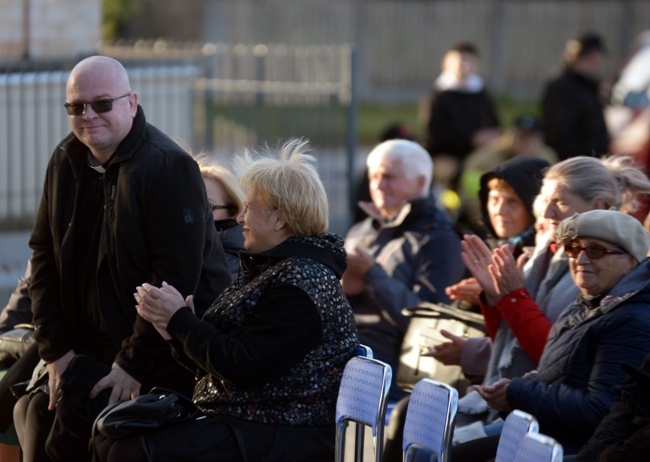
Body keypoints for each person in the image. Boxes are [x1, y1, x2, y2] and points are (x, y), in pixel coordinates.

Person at [13, 56, 231, 462]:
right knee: (28, 409)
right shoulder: (66, 159)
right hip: (84, 344)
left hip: (164, 354)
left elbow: (173, 283)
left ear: (132, 103)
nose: (87, 115)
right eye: (76, 106)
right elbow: (43, 256)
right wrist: (54, 350)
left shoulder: (168, 168)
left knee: (69, 429)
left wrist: (131, 365)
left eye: (101, 104)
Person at [93, 138, 359, 462]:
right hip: (248, 420)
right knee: (110, 436)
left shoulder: (302, 283)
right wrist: (174, 329)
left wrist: (180, 321)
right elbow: (229, 361)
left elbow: (243, 365)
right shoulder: (277, 269)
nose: (241, 218)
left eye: (250, 208)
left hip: (280, 432)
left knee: (129, 449)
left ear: (279, 219)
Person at [452, 209, 650, 459]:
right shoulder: (590, 301)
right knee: (455, 452)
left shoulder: (633, 320)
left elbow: (600, 412)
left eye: (596, 251)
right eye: (573, 249)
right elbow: (568, 376)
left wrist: (521, 392)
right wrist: (525, 386)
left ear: (631, 260)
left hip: (576, 448)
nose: (580, 260)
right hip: (545, 432)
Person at [341, 138, 465, 399]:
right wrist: (346, 288)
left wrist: (373, 275)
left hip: (392, 371)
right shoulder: (361, 229)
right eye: (373, 176)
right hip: (345, 350)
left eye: (388, 176)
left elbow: (429, 324)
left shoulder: (440, 238)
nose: (377, 185)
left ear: (420, 183)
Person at [458, 114, 558, 230]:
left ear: (541, 139)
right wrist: (488, 225)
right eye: (521, 137)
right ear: (510, 136)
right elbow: (472, 197)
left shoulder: (548, 158)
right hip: (494, 223)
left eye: (531, 138)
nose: (525, 143)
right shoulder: (482, 160)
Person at [422, 41, 501, 189]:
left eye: (469, 60)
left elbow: (495, 125)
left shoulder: (481, 94)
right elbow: (433, 137)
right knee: (460, 174)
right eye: (460, 60)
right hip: (447, 156)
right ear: (446, 64)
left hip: (481, 154)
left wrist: (493, 135)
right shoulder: (438, 97)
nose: (465, 65)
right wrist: (471, 140)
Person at [541, 32, 610, 160]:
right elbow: (558, 130)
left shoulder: (589, 85)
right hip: (575, 162)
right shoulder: (561, 86)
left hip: (593, 159)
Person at [194, 153, 246, 280]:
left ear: (233, 211)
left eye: (208, 207)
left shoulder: (234, 266)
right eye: (189, 207)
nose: (197, 215)